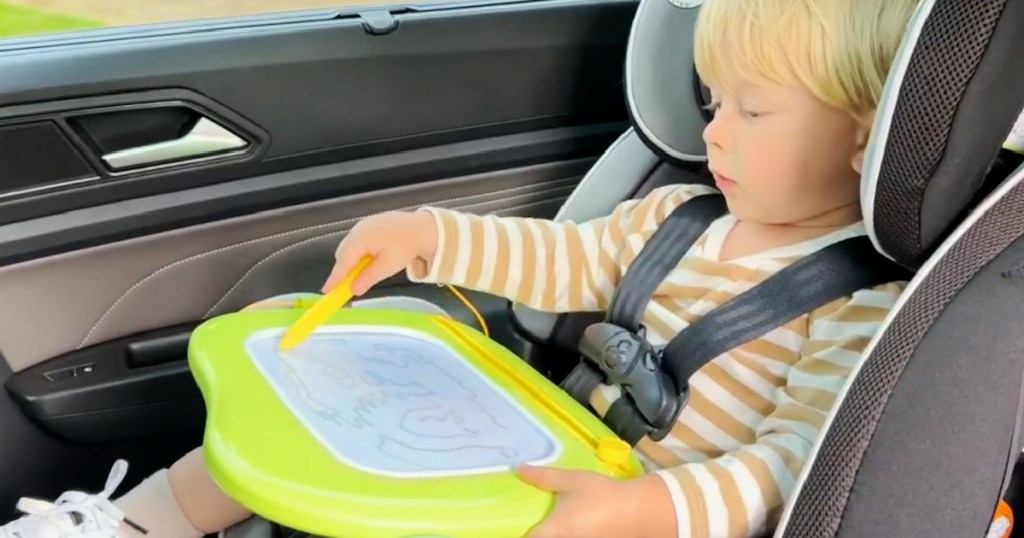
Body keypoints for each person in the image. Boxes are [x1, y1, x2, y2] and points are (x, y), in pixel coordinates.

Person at [0, 0, 922, 536]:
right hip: (541, 447)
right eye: (714, 103)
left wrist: (645, 513)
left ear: (868, 135)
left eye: (753, 115)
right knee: (290, 429)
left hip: (626, 517)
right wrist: (429, 236)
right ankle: (128, 522)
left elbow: (792, 464)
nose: (713, 130)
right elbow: (562, 259)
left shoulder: (856, 306)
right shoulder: (678, 215)